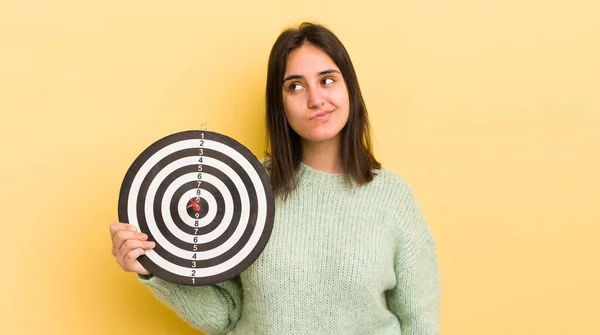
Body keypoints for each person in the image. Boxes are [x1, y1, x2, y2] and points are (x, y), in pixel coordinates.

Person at [110, 22, 440, 334]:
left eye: (327, 80)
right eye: (295, 86)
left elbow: (420, 322)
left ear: (349, 88)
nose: (315, 99)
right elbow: (226, 315)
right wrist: (154, 267)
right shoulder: (244, 189)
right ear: (279, 103)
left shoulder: (392, 196)